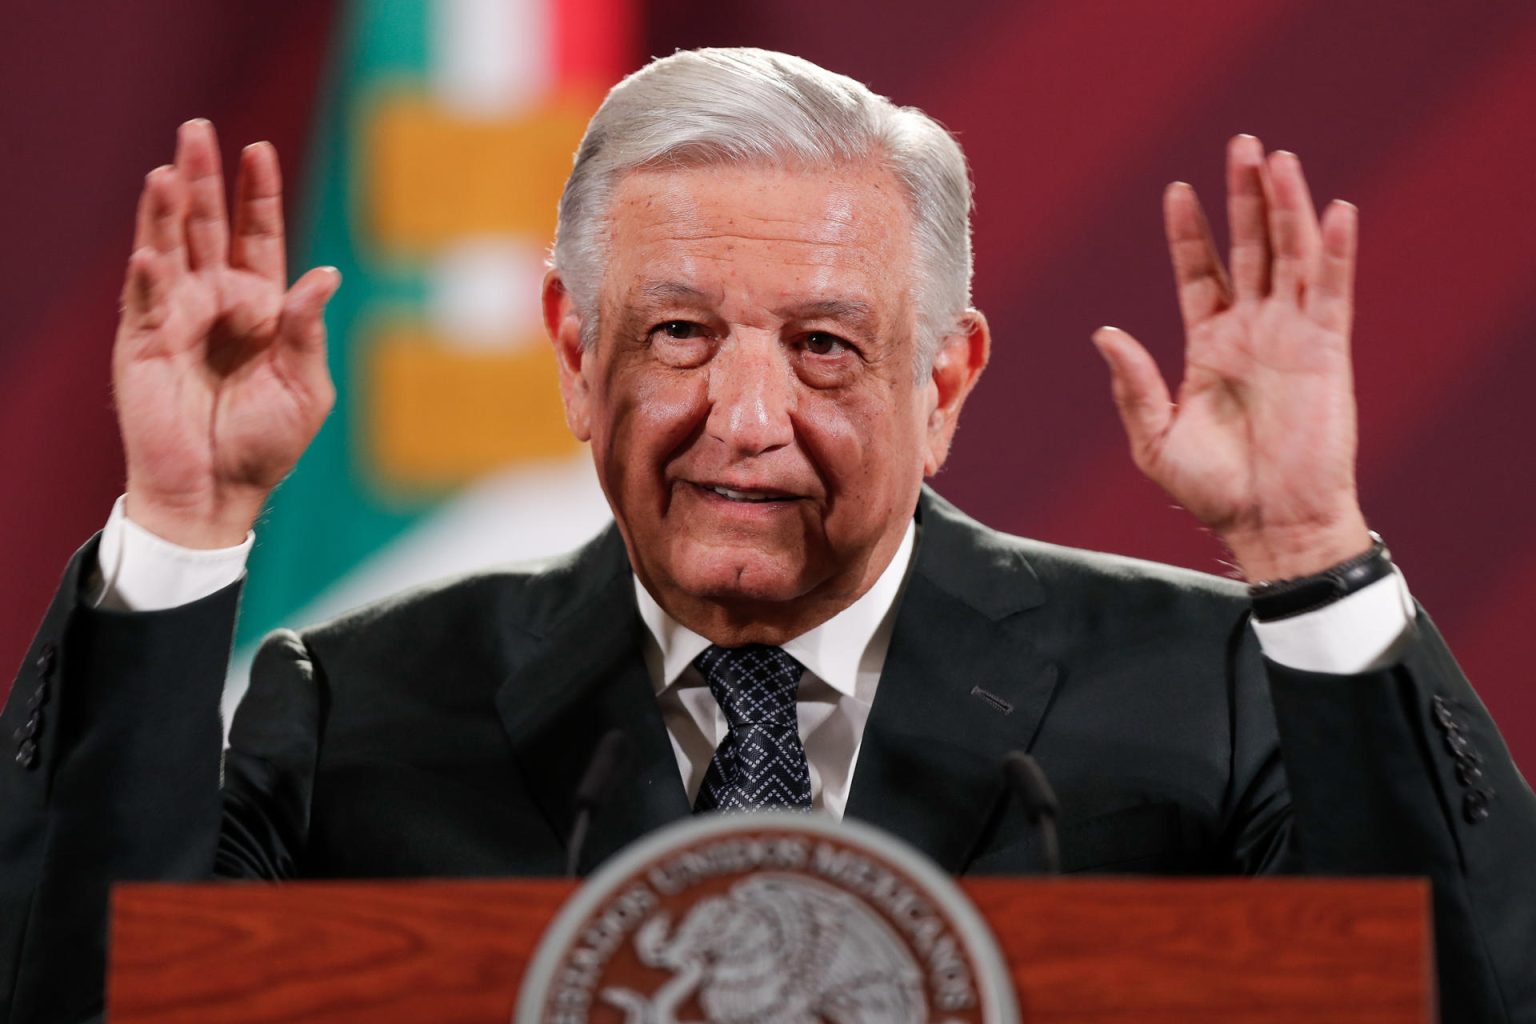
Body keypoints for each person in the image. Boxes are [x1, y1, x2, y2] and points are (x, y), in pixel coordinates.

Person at [1, 47, 1532, 1024]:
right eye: (676, 333)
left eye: (821, 347)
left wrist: (1309, 548)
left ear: (944, 383)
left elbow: (1468, 998)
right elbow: (83, 998)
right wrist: (186, 528)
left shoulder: (1211, 682)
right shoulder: (358, 706)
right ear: (569, 351)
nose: (743, 416)